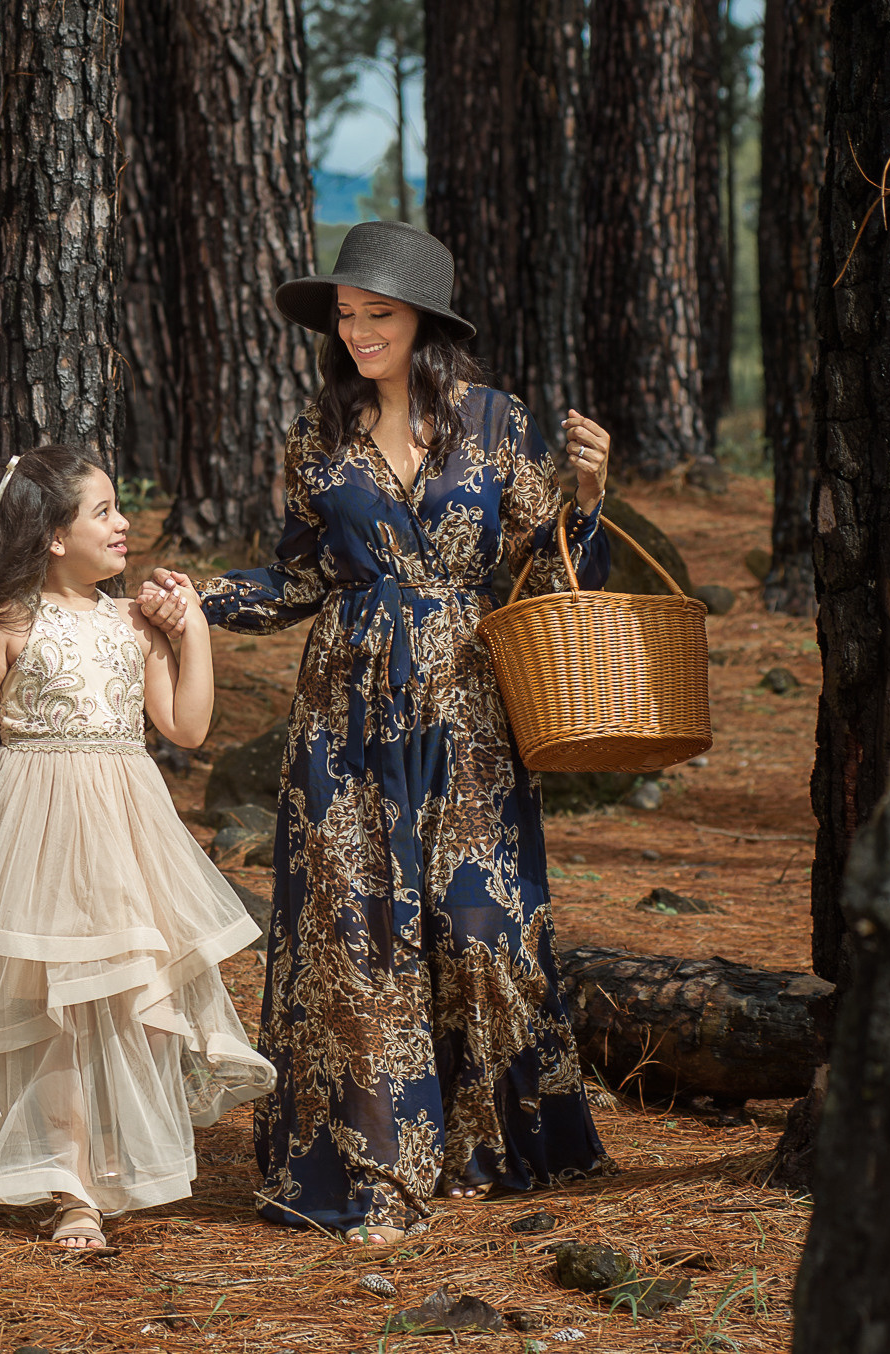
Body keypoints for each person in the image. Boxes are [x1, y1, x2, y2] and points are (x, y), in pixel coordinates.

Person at [159, 220, 616, 1243]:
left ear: (425, 325)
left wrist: (586, 494)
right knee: (356, 936)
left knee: (479, 923)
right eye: (349, 318)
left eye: (380, 317)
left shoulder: (496, 424)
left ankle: (486, 1148)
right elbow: (301, 575)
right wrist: (200, 599)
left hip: (469, 710)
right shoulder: (316, 438)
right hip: (346, 713)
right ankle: (372, 1174)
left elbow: (544, 567)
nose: (359, 333)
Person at [0, 447, 274, 1255]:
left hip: (125, 824)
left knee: (129, 998)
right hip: (37, 828)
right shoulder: (4, 624)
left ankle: (116, 1166)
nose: (124, 526)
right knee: (57, 1010)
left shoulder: (130, 623)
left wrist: (197, 635)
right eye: (104, 512)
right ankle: (69, 1185)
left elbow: (185, 728)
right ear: (51, 536)